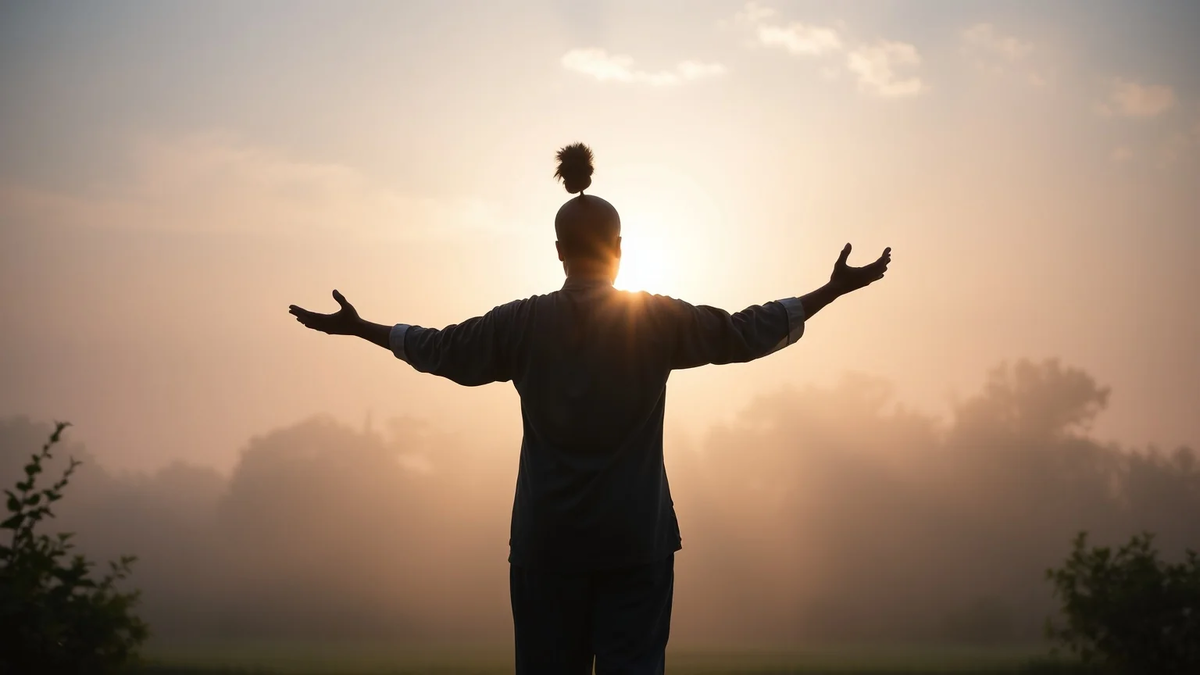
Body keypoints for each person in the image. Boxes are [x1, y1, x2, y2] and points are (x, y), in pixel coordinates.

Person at [288, 143, 892, 674]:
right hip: (636, 542)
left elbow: (439, 349)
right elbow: (743, 333)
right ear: (621, 248)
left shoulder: (519, 324)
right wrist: (830, 291)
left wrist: (361, 327)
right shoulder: (653, 321)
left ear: (557, 251)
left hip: (546, 547)